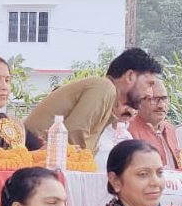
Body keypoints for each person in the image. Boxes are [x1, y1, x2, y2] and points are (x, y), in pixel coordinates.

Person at [25, 47, 161, 153]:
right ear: (130, 76)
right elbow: (73, 140)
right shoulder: (105, 87)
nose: (150, 94)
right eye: (149, 84)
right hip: (32, 157)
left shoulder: (109, 100)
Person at [126, 80, 182, 169]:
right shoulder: (127, 130)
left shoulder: (170, 129)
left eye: (164, 99)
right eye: (153, 99)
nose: (161, 105)